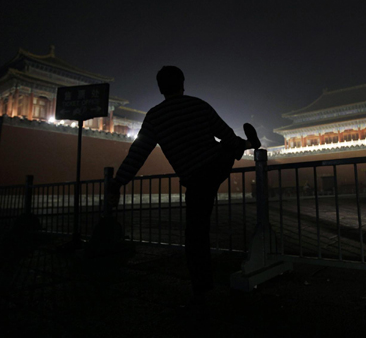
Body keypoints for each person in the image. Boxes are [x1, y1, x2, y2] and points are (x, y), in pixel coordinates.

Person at [108, 66, 260, 305]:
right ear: (183, 84)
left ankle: (202, 287)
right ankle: (249, 143)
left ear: (160, 88)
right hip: (217, 163)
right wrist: (239, 145)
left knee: (196, 232)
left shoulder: (154, 117)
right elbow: (225, 133)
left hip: (195, 176)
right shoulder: (198, 105)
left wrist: (118, 181)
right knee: (229, 145)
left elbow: (138, 152)